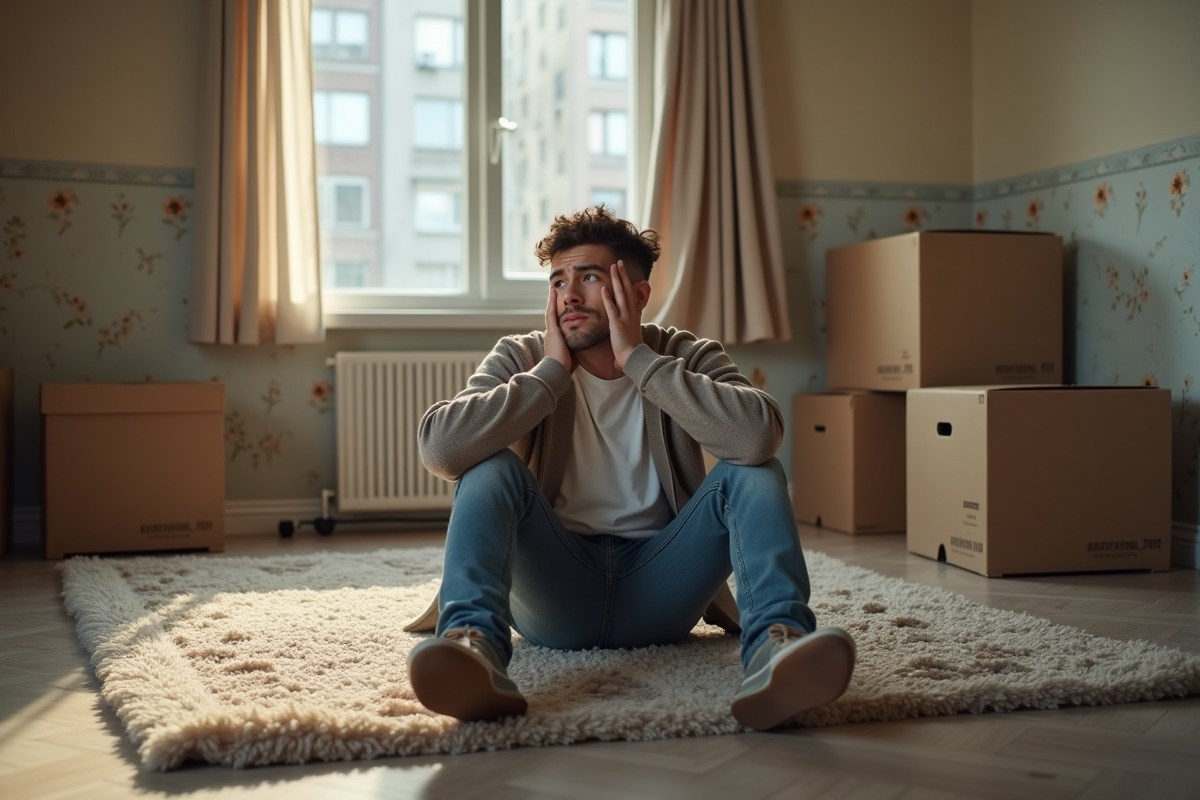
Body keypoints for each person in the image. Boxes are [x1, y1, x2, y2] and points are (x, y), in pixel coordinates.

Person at [406, 205, 855, 731]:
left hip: (662, 587)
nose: (569, 296)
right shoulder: (524, 355)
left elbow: (757, 435)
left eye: (589, 277)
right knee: (489, 469)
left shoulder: (683, 353)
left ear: (638, 294)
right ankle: (473, 649)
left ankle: (777, 651)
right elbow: (440, 449)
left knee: (756, 471)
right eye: (558, 281)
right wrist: (549, 376)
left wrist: (640, 361)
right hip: (557, 593)